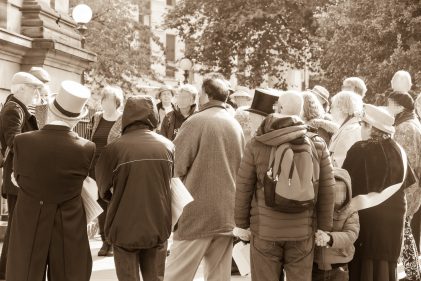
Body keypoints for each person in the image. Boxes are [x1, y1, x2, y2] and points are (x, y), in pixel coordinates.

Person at [234, 91, 335, 281]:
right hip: (302, 231)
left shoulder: (257, 143)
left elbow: (244, 186)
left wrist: (241, 225)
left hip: (265, 230)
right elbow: (327, 189)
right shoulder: (317, 144)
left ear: (278, 108)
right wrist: (324, 227)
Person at [6, 80, 95, 281]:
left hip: (30, 216)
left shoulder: (23, 141)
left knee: (25, 273)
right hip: (68, 220)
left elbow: (18, 179)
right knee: (68, 273)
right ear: (75, 119)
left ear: (51, 112)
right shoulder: (87, 147)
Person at [164, 77, 244, 281]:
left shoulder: (197, 121)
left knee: (176, 275)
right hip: (226, 212)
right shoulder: (234, 124)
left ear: (206, 95)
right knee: (218, 276)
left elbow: (175, 165)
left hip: (196, 212)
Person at [95, 95, 174, 281]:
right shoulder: (167, 146)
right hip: (158, 224)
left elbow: (103, 188)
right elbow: (172, 182)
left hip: (124, 224)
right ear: (153, 116)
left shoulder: (114, 148)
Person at [342, 104, 415, 281]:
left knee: (364, 269)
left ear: (370, 127)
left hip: (367, 221)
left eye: (362, 124)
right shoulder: (398, 150)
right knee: (385, 269)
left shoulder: (360, 149)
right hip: (393, 221)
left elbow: (346, 183)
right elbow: (409, 181)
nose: (360, 128)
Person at [0, 72, 43, 279]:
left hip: (19, 175)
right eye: (33, 88)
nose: (36, 93)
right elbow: (14, 141)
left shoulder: (17, 107)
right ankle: (6, 271)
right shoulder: (13, 109)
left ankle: (7, 270)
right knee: (16, 227)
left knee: (17, 227)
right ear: (21, 89)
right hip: (17, 177)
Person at [386, 91, 421, 281]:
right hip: (412, 188)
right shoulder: (411, 122)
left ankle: (412, 273)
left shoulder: (405, 127)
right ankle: (412, 272)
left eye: (389, 104)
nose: (388, 109)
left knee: (405, 232)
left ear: (399, 107)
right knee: (406, 231)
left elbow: (405, 163)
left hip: (407, 189)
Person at [88, 85, 123, 257]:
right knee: (100, 204)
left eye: (109, 100)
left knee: (113, 204)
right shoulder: (96, 117)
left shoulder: (123, 119)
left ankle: (113, 241)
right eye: (103, 99)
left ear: (117, 102)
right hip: (95, 167)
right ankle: (104, 241)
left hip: (113, 167)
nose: (105, 103)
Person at [313, 167, 360, 281]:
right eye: (335, 190)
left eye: (342, 190)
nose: (338, 194)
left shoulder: (351, 211)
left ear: (348, 191)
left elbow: (351, 235)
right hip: (315, 268)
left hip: (339, 268)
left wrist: (330, 238)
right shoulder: (318, 209)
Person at [328, 91, 363, 167]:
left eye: (333, 107)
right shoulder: (348, 128)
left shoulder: (350, 131)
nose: (330, 111)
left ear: (343, 108)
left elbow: (340, 165)